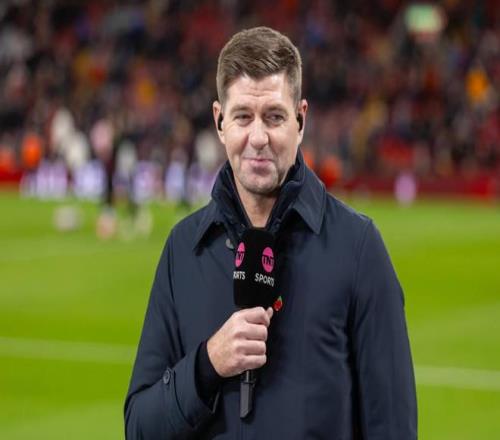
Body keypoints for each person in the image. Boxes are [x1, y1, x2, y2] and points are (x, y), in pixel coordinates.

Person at [125, 26, 417, 439]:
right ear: (219, 121)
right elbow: (139, 427)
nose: (258, 137)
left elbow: (393, 427)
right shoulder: (183, 249)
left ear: (301, 119)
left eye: (274, 117)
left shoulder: (357, 248)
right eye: (243, 116)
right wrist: (207, 364)